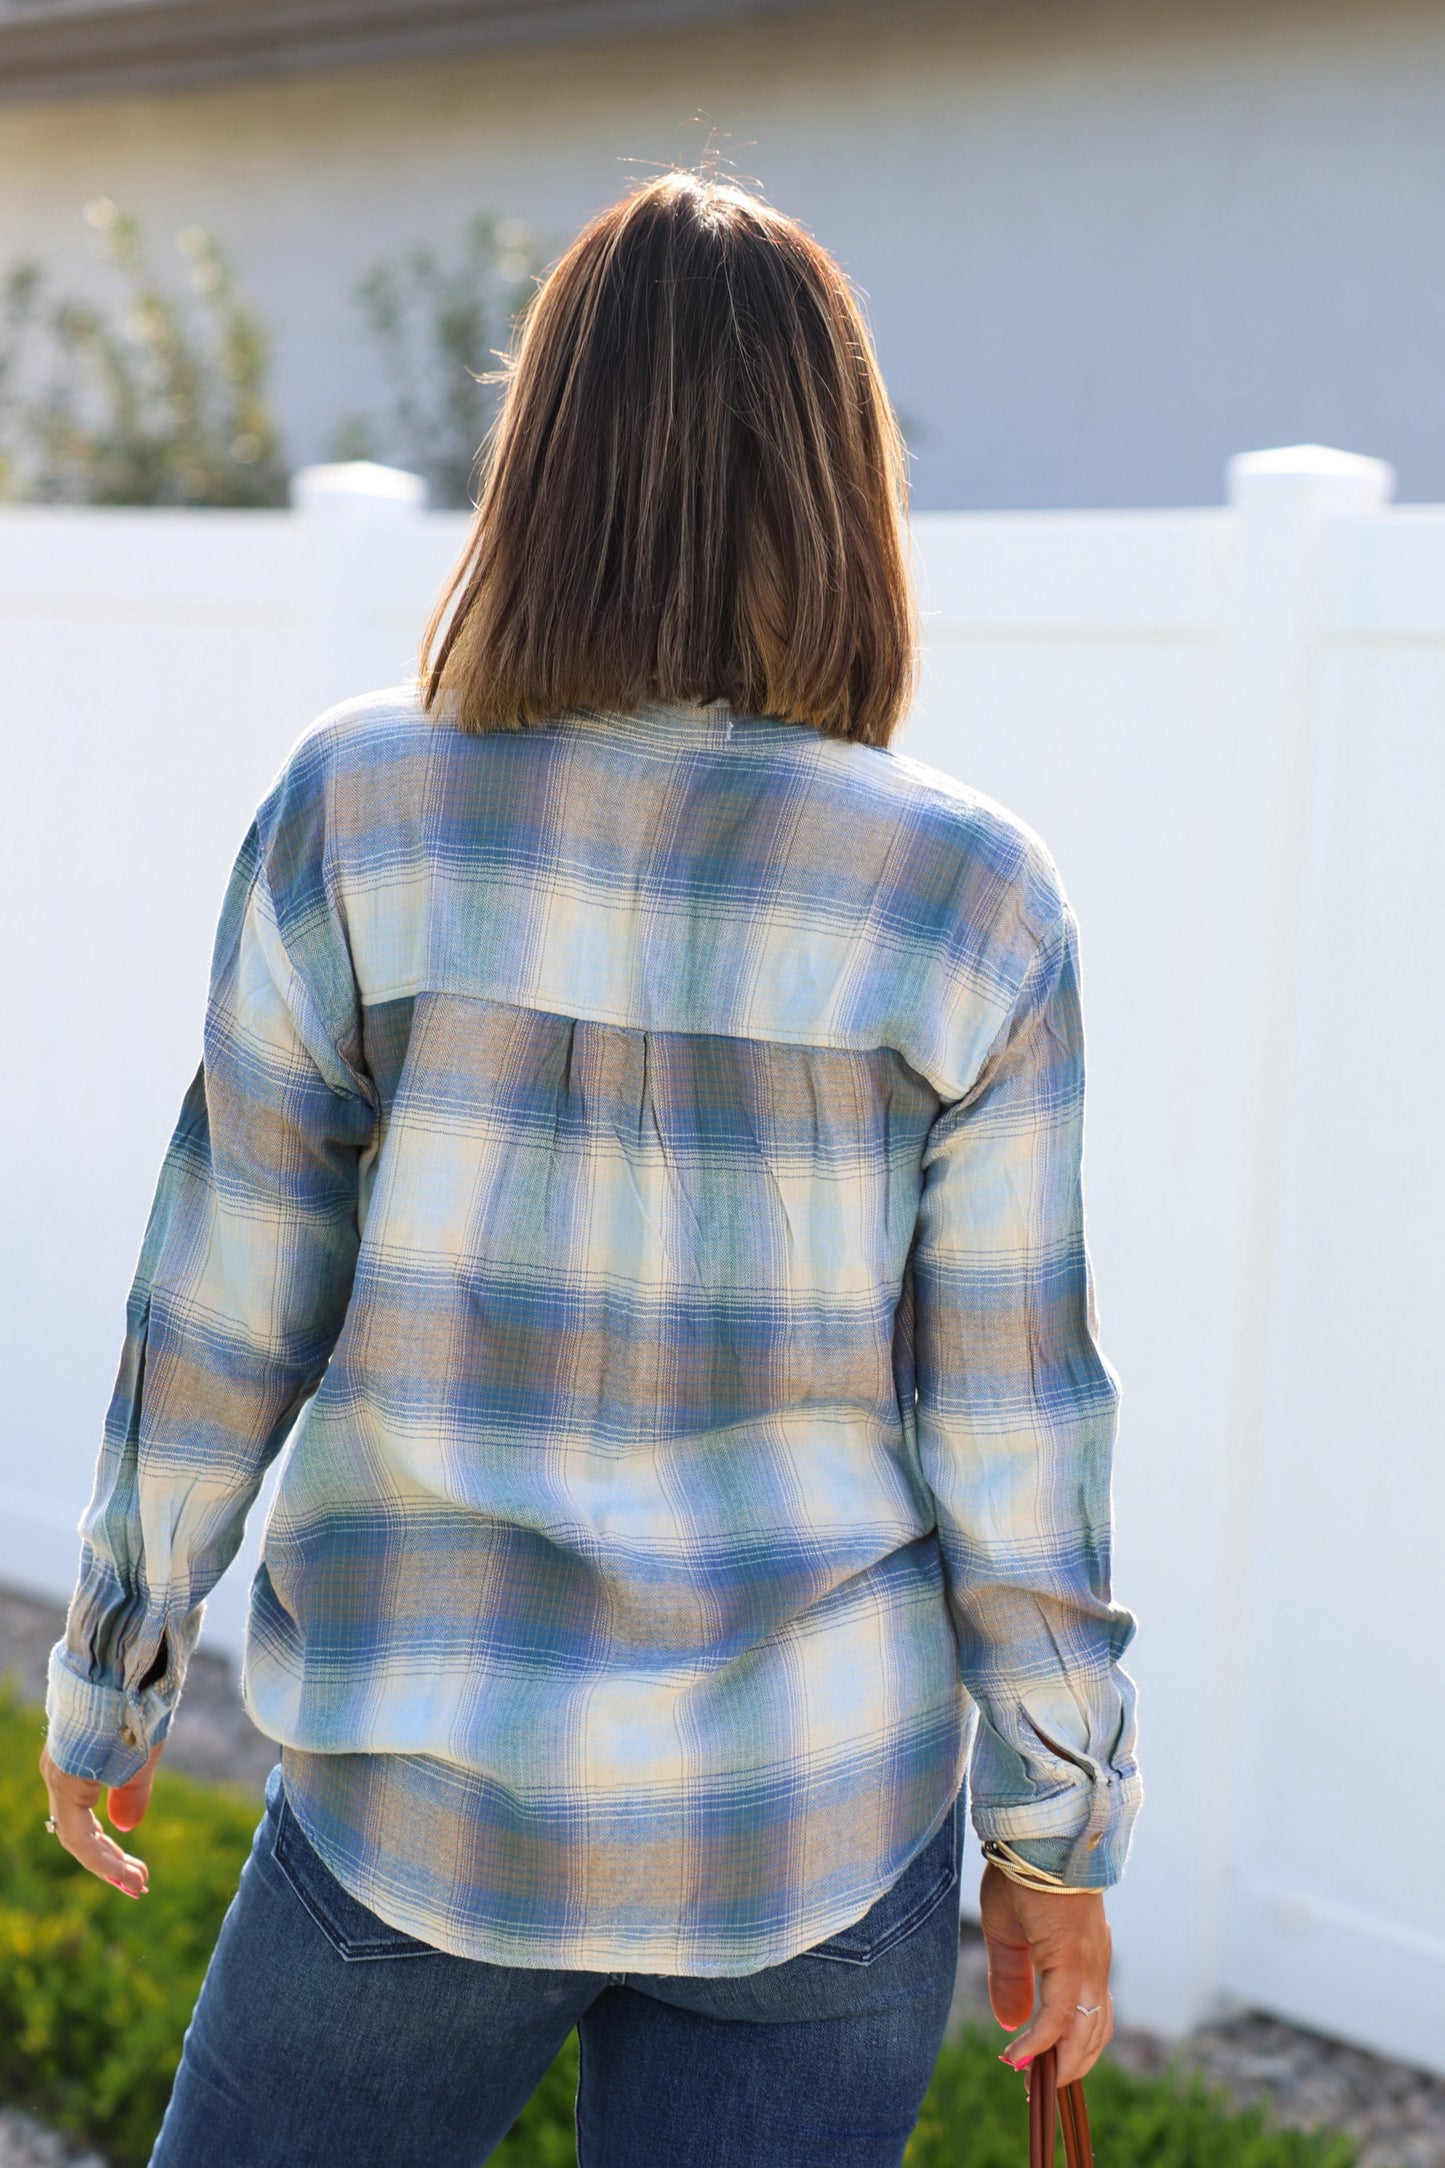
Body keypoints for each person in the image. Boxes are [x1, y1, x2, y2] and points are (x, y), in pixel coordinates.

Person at [38, 169, 1141, 2167]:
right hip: (811, 1823)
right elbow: (1015, 1428)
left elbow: (222, 1296)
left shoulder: (354, 811)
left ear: (539, 454)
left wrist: (117, 1668)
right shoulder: (974, 896)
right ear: (839, 482)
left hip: (420, 1809)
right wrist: (1055, 1841)